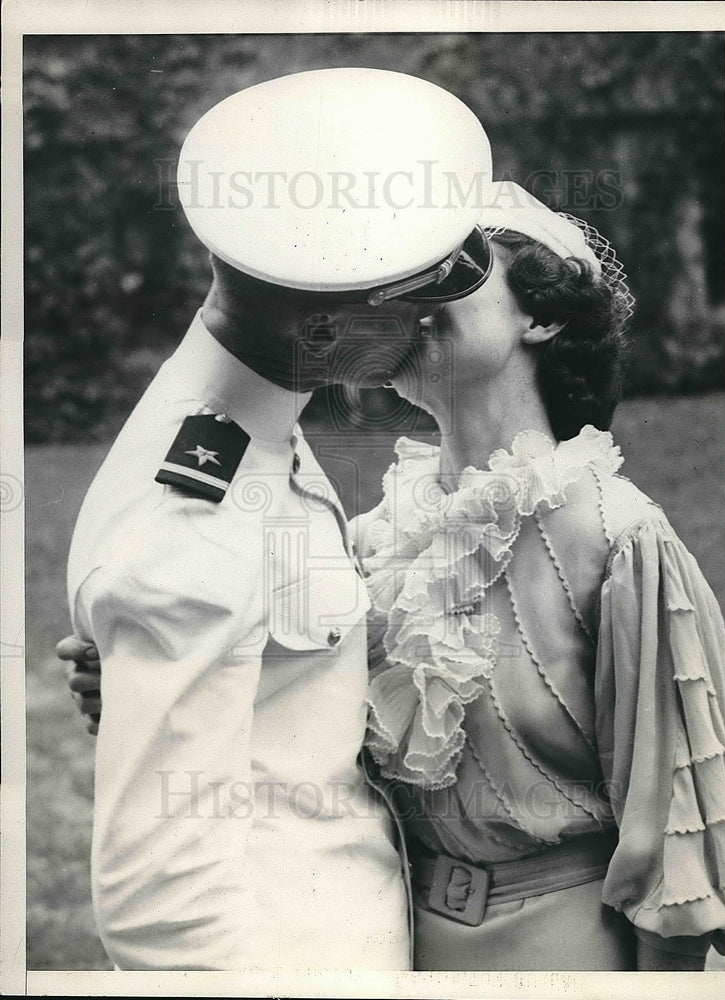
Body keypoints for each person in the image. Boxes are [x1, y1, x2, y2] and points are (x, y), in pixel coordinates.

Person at [56, 67, 495, 971]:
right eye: (411, 309)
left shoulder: (241, 425)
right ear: (328, 334)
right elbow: (160, 918)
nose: (424, 331)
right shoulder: (194, 518)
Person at [349, 181, 725, 972]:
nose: (410, 300)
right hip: (385, 942)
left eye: (453, 273)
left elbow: (673, 828)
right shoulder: (377, 535)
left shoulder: (615, 534)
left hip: (562, 951)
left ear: (544, 314)